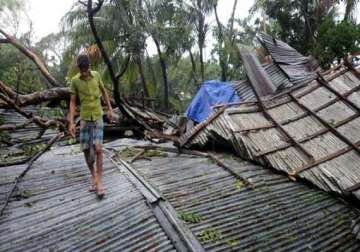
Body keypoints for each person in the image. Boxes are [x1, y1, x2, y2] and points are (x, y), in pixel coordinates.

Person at [68, 54, 112, 199]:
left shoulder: (97, 76)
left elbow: (104, 92)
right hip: (85, 119)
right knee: (87, 150)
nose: (84, 71)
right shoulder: (75, 81)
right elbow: (73, 102)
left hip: (98, 116)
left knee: (98, 148)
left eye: (85, 68)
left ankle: (99, 181)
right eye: (81, 69)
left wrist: (110, 109)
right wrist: (71, 122)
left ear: (89, 67)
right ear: (78, 68)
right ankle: (93, 176)